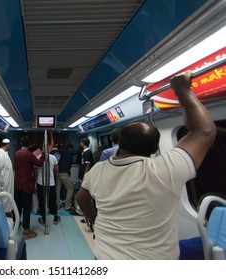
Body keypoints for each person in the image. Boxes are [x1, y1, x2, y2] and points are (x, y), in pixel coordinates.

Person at [76, 71, 217, 259]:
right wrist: (182, 90)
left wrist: (96, 221)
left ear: (120, 144)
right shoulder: (164, 170)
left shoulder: (98, 170)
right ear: (156, 147)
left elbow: (81, 197)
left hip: (104, 256)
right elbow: (204, 131)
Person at [13, 136, 45, 240]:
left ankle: (16, 224)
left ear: (21, 143)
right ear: (29, 144)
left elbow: (15, 167)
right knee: (26, 207)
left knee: (17, 205)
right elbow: (39, 163)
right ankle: (26, 231)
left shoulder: (16, 153)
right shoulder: (29, 154)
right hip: (26, 184)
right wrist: (44, 154)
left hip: (17, 182)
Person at [36, 145, 60, 225]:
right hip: (51, 183)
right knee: (52, 201)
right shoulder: (53, 158)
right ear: (48, 149)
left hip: (40, 183)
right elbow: (56, 170)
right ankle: (55, 216)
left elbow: (36, 171)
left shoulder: (38, 157)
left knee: (42, 201)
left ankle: (44, 219)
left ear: (42, 149)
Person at [56, 144, 76, 211]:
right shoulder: (69, 152)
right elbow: (78, 151)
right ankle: (67, 206)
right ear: (70, 149)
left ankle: (57, 205)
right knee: (70, 188)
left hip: (58, 172)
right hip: (64, 173)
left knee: (57, 189)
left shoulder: (63, 153)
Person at [0, 139, 14, 215]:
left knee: (7, 198)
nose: (9, 146)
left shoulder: (4, 153)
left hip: (7, 181)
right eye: (9, 144)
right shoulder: (1, 154)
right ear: (7, 144)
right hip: (3, 181)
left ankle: (7, 212)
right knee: (4, 198)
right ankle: (5, 213)